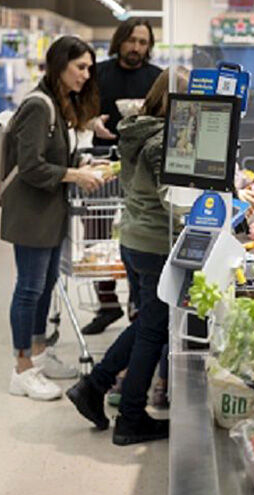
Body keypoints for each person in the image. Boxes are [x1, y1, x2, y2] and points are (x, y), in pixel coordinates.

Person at [66, 67, 254, 443]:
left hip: (136, 238)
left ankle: (94, 385)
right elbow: (174, 200)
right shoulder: (163, 143)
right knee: (153, 331)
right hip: (157, 243)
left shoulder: (139, 129)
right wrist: (225, 208)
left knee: (148, 323)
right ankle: (130, 419)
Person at [2, 36, 106, 401]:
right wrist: (75, 176)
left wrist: (86, 165)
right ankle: (21, 368)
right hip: (31, 212)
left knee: (46, 285)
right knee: (29, 289)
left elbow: (56, 155)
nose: (86, 74)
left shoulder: (61, 105)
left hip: (49, 211)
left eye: (89, 68)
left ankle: (39, 356)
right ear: (60, 65)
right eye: (80, 67)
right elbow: (31, 165)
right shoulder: (38, 105)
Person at [81, 18, 164, 335]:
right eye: (131, 41)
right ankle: (107, 304)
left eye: (143, 42)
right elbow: (80, 110)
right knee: (96, 235)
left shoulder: (156, 78)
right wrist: (90, 122)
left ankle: (136, 304)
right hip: (103, 163)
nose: (137, 48)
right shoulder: (98, 73)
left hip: (142, 169)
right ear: (119, 41)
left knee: (136, 239)